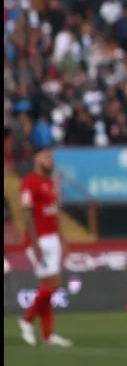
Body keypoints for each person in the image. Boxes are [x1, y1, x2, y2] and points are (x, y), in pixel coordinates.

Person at [17, 147, 73, 347]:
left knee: (48, 287)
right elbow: (27, 214)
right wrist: (34, 244)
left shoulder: (49, 182)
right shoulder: (29, 182)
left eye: (51, 157)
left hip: (52, 239)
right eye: (46, 157)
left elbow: (54, 213)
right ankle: (26, 320)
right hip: (39, 240)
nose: (50, 161)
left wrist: (62, 239)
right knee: (53, 283)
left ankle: (47, 335)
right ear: (36, 159)